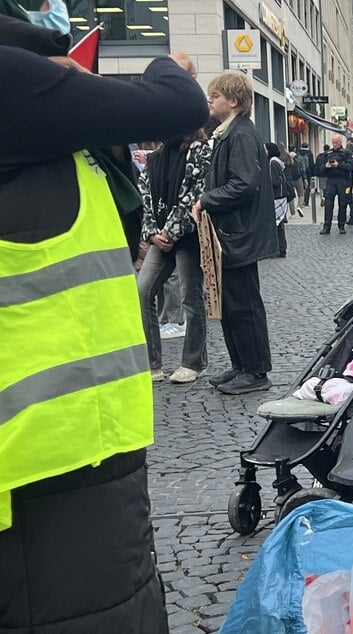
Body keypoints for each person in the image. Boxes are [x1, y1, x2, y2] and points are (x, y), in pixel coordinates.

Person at [0, 13, 207, 628]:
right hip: (49, 462)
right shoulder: (15, 85)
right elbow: (178, 103)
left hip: (63, 451)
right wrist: (168, 63)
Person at [192, 72, 278, 395]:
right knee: (231, 303)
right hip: (231, 232)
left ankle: (255, 371)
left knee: (244, 304)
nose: (210, 99)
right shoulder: (229, 132)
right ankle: (242, 365)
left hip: (239, 233)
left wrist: (206, 200)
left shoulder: (240, 134)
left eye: (215, 95)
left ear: (234, 101)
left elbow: (244, 184)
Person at [137, 125, 211, 384]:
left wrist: (169, 232)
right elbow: (144, 196)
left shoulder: (200, 151)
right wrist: (151, 232)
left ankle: (194, 362)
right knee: (143, 290)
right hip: (160, 235)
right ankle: (151, 363)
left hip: (188, 236)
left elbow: (194, 195)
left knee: (190, 295)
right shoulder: (155, 157)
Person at [318, 133, 353, 235]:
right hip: (331, 180)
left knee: (343, 204)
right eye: (333, 142)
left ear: (341, 142)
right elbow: (320, 169)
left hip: (343, 180)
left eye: (336, 142)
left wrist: (339, 165)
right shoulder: (328, 153)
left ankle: (341, 225)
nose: (334, 144)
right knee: (328, 204)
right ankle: (326, 226)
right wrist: (326, 166)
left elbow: (350, 166)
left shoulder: (347, 153)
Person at [266, 142, 295, 258]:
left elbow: (275, 181)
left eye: (265, 149)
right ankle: (280, 248)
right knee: (279, 224)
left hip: (277, 196)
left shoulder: (273, 162)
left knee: (276, 224)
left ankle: (279, 249)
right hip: (280, 196)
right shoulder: (276, 162)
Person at [298, 141, 315, 206]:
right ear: (307, 146)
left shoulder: (298, 153)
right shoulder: (310, 153)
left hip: (300, 172)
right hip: (308, 172)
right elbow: (311, 164)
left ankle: (301, 202)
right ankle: (306, 202)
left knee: (301, 187)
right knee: (307, 187)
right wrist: (313, 173)